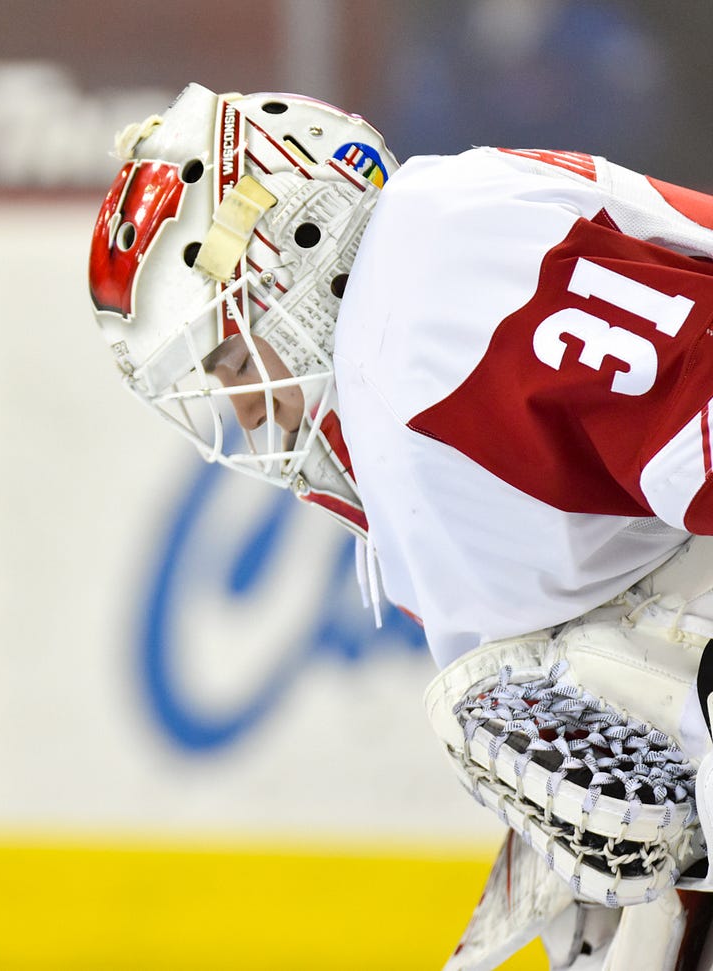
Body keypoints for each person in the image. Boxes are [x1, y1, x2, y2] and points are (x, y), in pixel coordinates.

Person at [86, 83, 713, 970]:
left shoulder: (428, 294)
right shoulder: (403, 356)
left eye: (229, 356)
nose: (246, 410)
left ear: (299, 247)